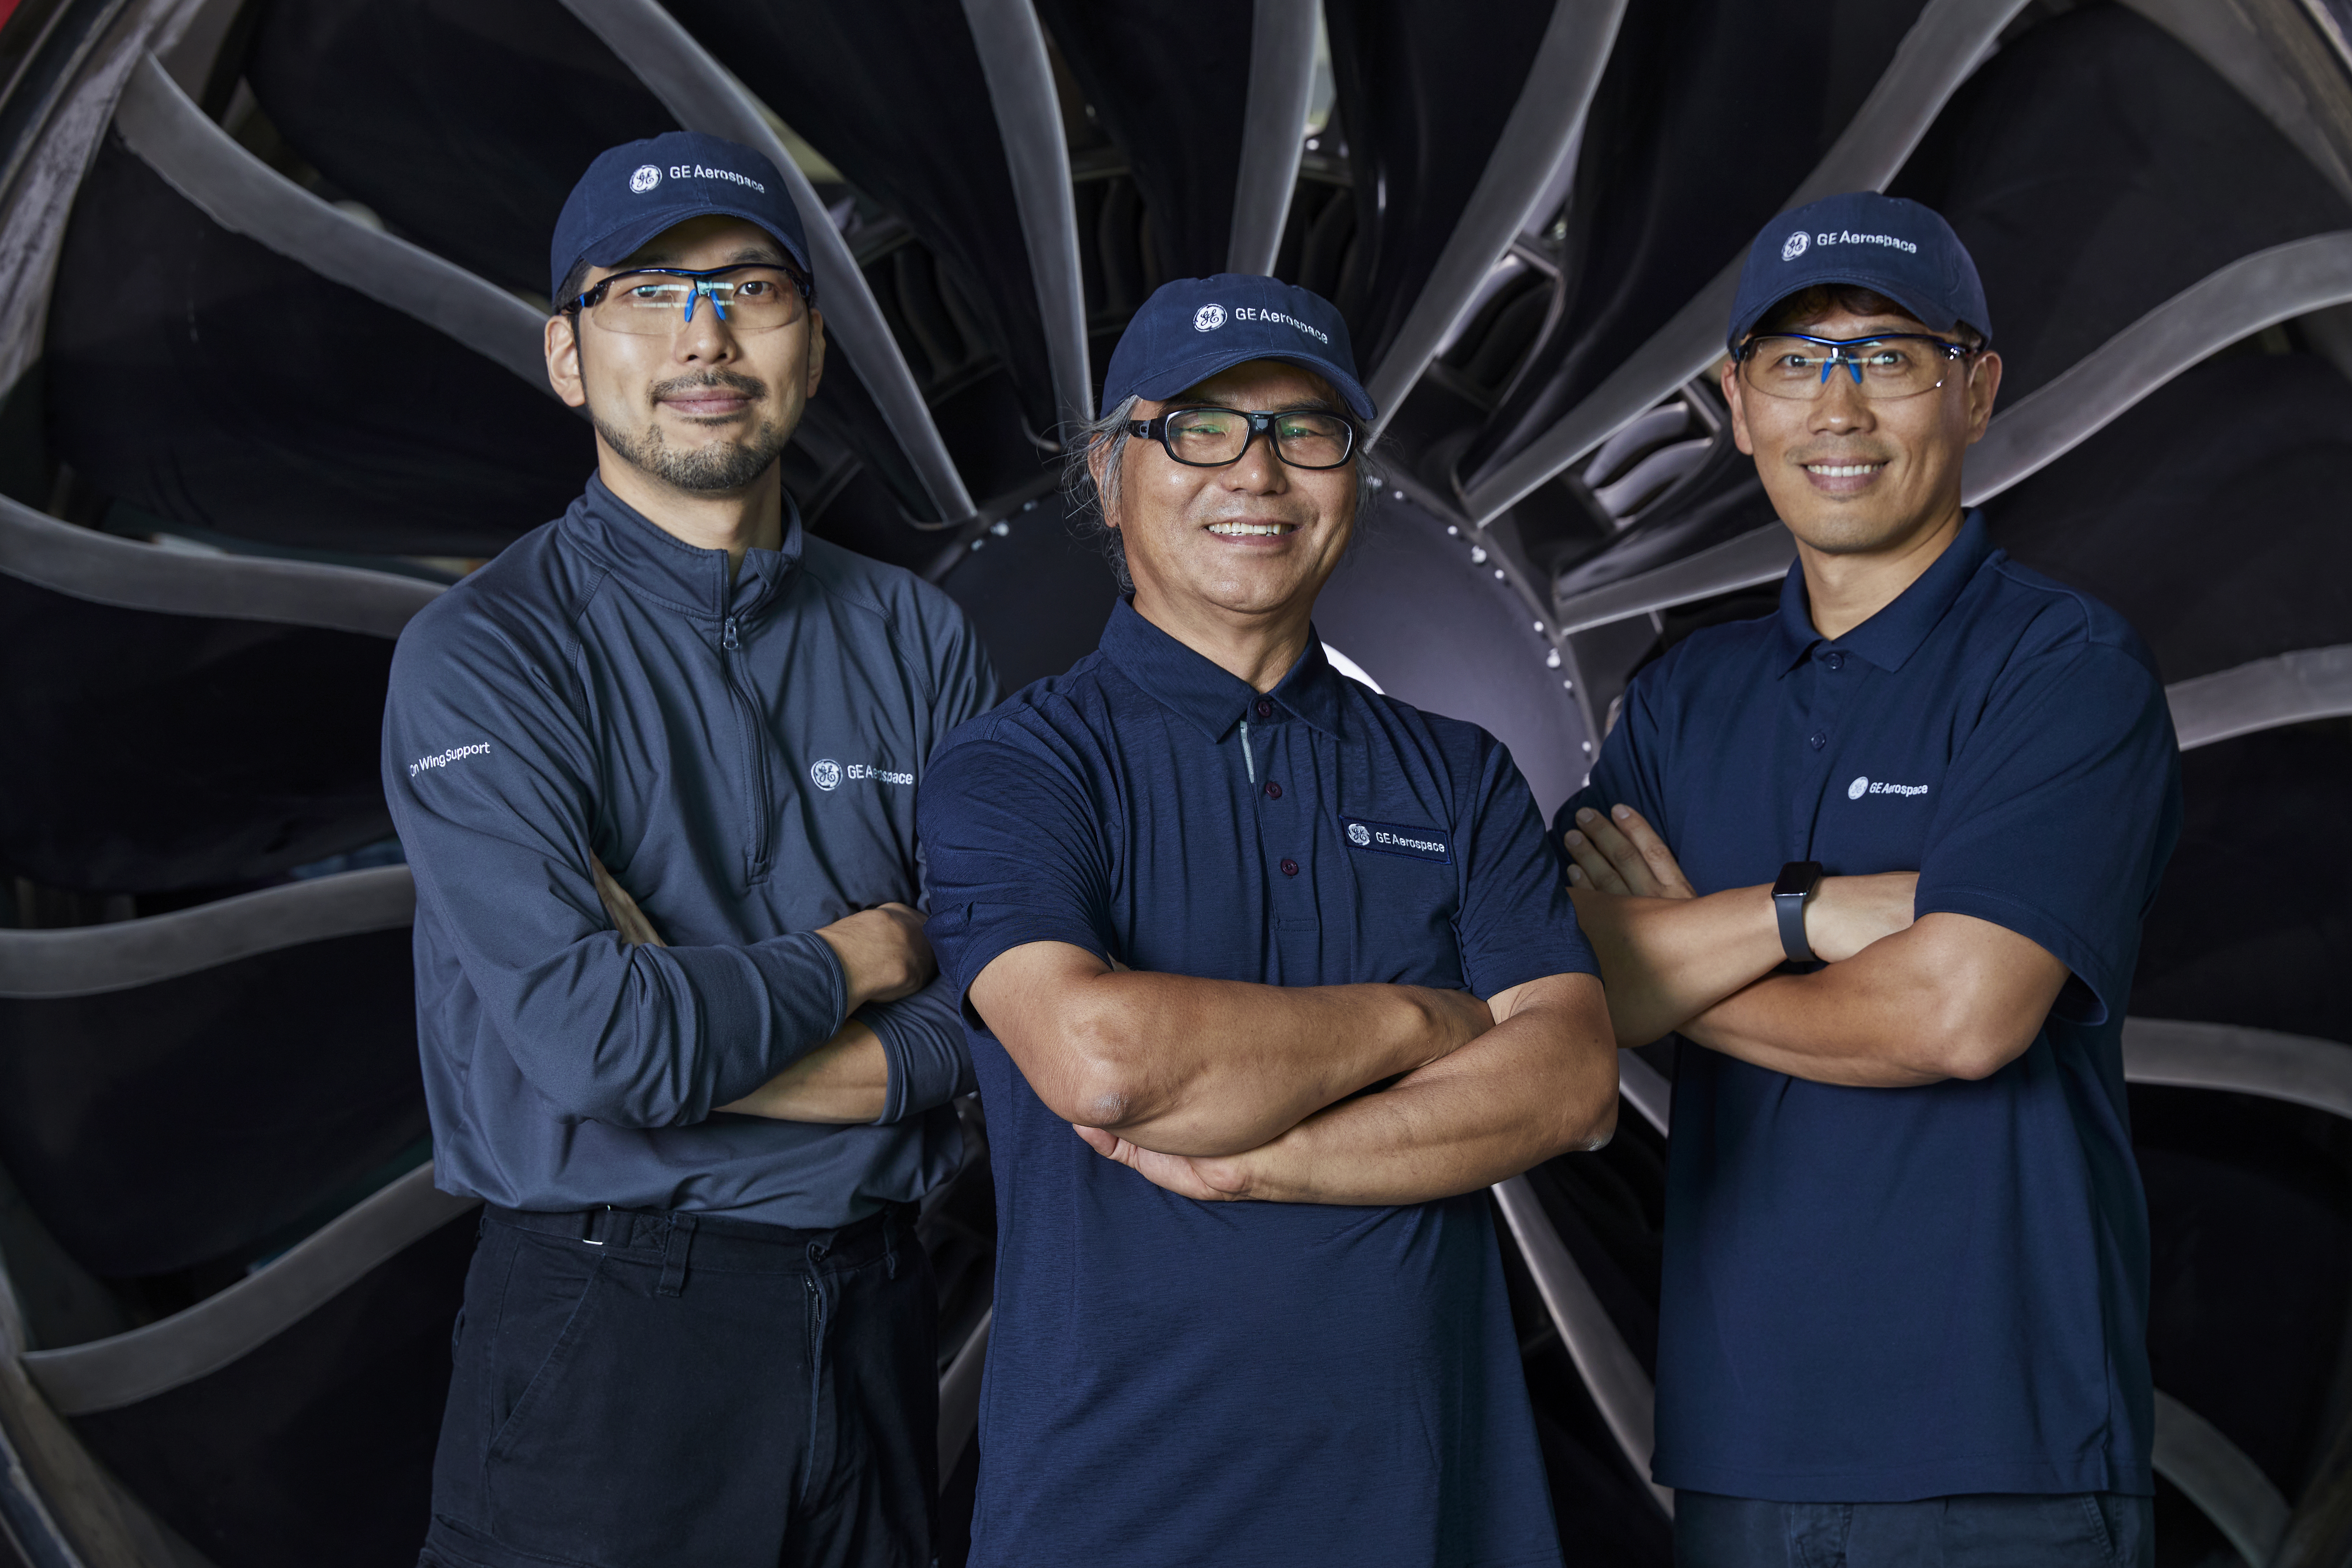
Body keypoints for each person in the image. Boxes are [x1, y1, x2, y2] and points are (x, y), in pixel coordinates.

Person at [915, 274, 1620, 1568]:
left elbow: (1570, 1081)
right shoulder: (1016, 768)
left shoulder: (1456, 772)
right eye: (1199, 426)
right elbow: (1104, 1062)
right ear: (1108, 471)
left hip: (1428, 1512)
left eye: (1306, 431)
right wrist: (1428, 1018)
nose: (1258, 471)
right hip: (1114, 1515)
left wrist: (1263, 1160)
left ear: (1350, 474)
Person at [382, 132, 996, 1568]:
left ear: (815, 345)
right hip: (611, 1338)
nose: (705, 332)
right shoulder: (485, 657)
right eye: (647, 293)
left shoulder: (920, 638)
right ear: (565, 356)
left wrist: (718, 1040)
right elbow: (599, 1047)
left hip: (876, 1326)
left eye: (750, 288)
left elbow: (1005, 1006)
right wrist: (866, 955)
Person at [1555, 191, 2180, 1566]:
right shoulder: (1679, 702)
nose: (1836, 408)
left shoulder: (2062, 672)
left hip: (1999, 1453)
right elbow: (1552, 979)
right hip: (1741, 1444)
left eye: (1885, 358)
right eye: (1793, 361)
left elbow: (1958, 1016)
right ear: (1736, 402)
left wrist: (1674, 961)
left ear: (1973, 389)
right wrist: (1808, 914)